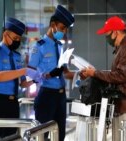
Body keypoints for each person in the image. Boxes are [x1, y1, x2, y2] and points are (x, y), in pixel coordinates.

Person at [82, 16, 126, 141]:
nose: (105, 37)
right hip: (123, 104)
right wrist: (94, 72)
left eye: (107, 33)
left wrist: (95, 73)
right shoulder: (122, 48)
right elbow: (118, 73)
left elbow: (121, 75)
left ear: (115, 32)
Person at [0, 17, 40, 141]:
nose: (17, 41)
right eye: (15, 38)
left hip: (12, 103)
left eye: (19, 39)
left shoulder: (17, 56)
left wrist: (35, 80)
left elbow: (23, 83)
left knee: (11, 138)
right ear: (5, 34)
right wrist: (24, 70)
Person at [28, 5, 75, 141]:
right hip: (46, 95)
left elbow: (65, 72)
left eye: (66, 29)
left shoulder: (60, 46)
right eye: (62, 28)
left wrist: (82, 74)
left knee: (60, 135)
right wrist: (45, 75)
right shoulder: (39, 46)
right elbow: (30, 73)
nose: (64, 31)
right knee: (42, 136)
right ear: (52, 25)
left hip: (60, 97)